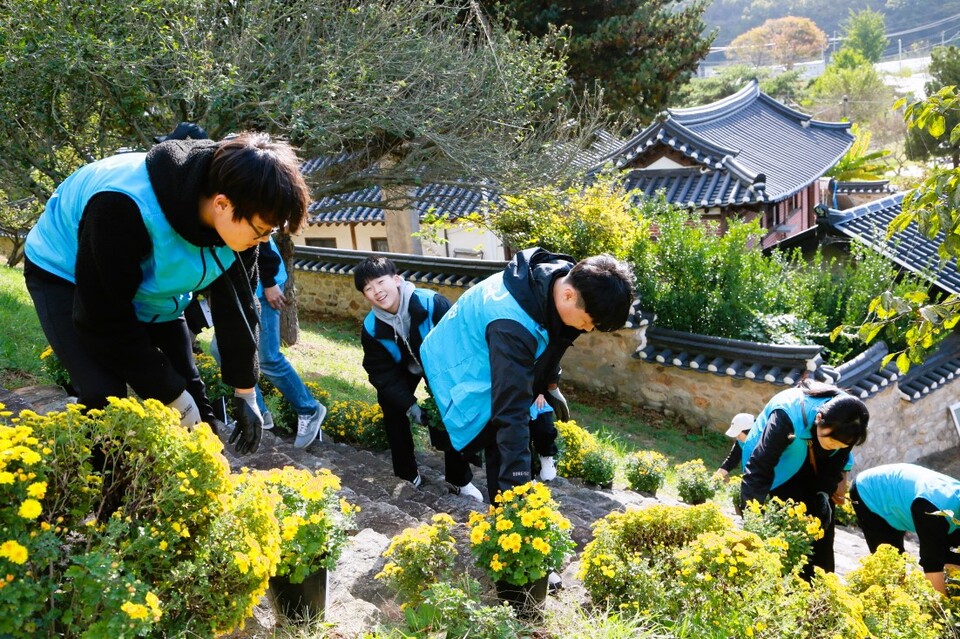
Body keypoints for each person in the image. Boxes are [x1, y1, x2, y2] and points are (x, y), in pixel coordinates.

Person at [23, 131, 311, 455]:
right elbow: (103, 318)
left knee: (194, 403)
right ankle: (105, 492)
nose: (261, 241)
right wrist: (170, 393)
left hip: (152, 289)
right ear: (221, 204)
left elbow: (239, 308)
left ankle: (199, 487)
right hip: (66, 273)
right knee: (104, 397)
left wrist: (245, 392)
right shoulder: (123, 206)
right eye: (261, 232)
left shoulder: (241, 221)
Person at [421, 247, 635, 501]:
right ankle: (504, 512)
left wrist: (550, 381)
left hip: (483, 351)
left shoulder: (558, 277)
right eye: (589, 322)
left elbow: (551, 338)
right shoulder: (511, 325)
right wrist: (519, 487)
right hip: (458, 366)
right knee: (495, 430)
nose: (588, 329)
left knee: (506, 427)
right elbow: (510, 412)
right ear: (568, 295)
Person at [355, 256, 481, 499]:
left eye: (381, 282)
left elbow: (460, 343)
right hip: (402, 368)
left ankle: (458, 479)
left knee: (450, 407)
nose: (377, 292)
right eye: (368, 289)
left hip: (442, 365)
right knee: (391, 405)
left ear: (396, 280)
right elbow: (380, 372)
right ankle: (406, 473)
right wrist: (409, 405)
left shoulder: (432, 303)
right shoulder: (371, 328)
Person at [739, 380, 869, 577]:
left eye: (841, 444)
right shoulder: (787, 413)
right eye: (832, 440)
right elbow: (760, 467)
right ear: (819, 418)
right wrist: (752, 515)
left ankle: (816, 593)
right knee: (777, 527)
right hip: (778, 466)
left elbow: (837, 462)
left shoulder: (851, 421)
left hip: (813, 465)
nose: (834, 446)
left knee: (822, 537)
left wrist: (823, 493)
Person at [211, 237, 326, 448]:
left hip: (263, 285)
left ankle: (309, 409)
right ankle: (259, 411)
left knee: (268, 358)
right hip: (238, 287)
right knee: (219, 349)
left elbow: (260, 238)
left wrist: (270, 283)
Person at [851, 463, 960, 594]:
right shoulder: (934, 510)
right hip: (872, 492)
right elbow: (932, 565)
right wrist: (943, 611)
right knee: (891, 567)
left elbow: (953, 561)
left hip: (907, 496)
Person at [714, 412, 755, 481]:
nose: (737, 438)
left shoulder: (766, 441)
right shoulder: (741, 442)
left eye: (738, 435)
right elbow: (731, 461)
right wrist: (714, 479)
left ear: (749, 431)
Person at [530, 395, 558, 481]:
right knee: (522, 436)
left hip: (537, 395)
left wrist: (541, 392)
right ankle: (529, 475)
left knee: (546, 429)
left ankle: (546, 455)